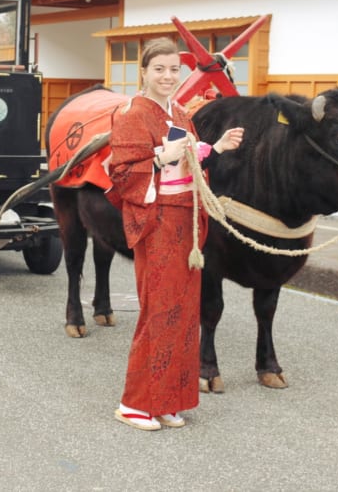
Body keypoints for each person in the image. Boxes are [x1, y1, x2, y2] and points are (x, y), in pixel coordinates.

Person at [108, 37, 244, 431]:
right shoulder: (133, 114)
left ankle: (167, 400)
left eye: (174, 70)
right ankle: (135, 403)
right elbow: (121, 171)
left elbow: (192, 154)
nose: (168, 77)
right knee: (158, 310)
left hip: (187, 221)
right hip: (160, 219)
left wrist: (215, 146)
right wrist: (157, 157)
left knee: (184, 314)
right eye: (159, 69)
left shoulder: (181, 112)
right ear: (144, 72)